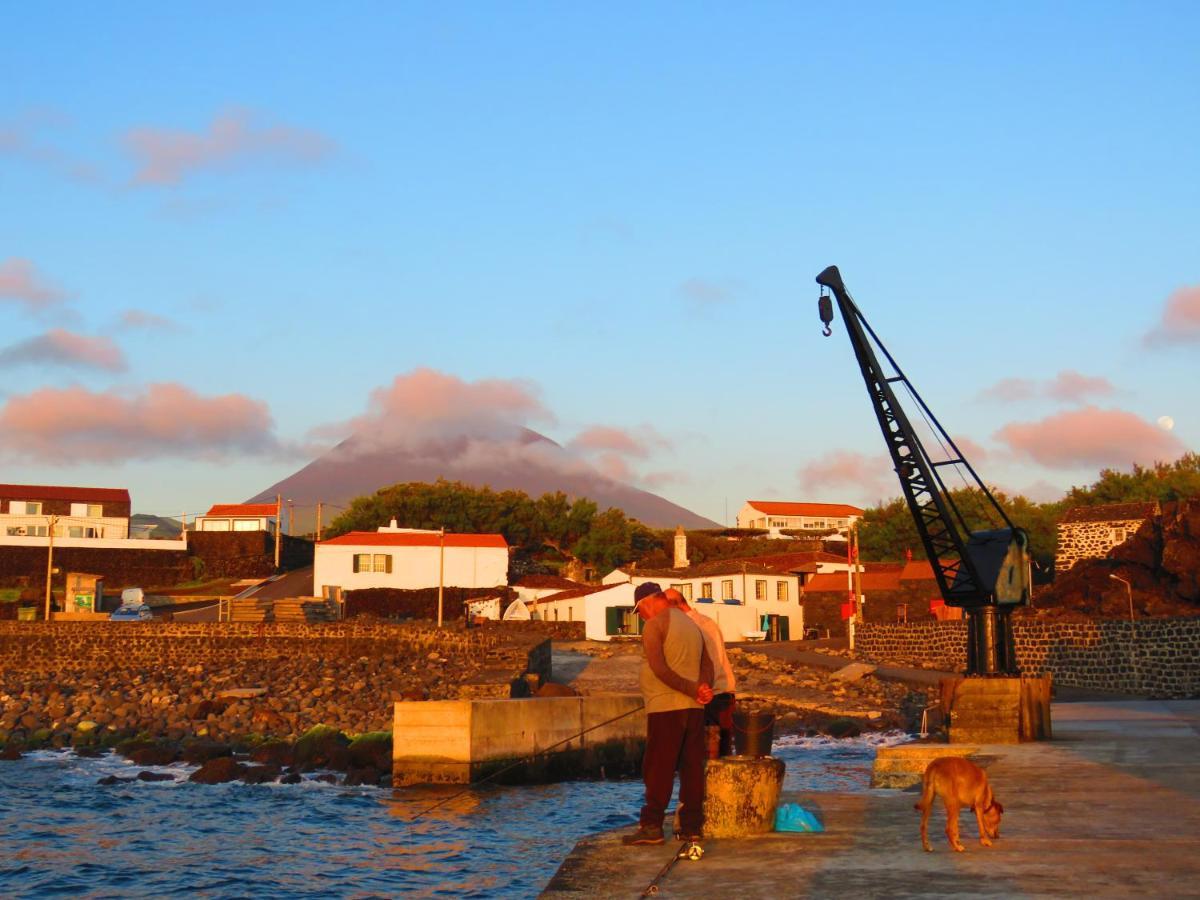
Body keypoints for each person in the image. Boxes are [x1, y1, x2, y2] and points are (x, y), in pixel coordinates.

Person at [622, 582, 714, 846]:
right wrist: (703, 689)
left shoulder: (655, 625)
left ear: (647, 602)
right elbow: (706, 663)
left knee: (658, 769)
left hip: (666, 708)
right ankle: (691, 828)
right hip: (694, 709)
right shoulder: (691, 624)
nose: (640, 617)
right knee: (691, 769)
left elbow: (659, 668)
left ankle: (651, 827)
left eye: (639, 611)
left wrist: (693, 688)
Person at [662, 588, 737, 757]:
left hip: (712, 696)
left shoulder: (693, 626)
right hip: (721, 694)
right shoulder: (705, 622)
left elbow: (698, 664)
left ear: (675, 606)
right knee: (720, 756)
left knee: (710, 758)